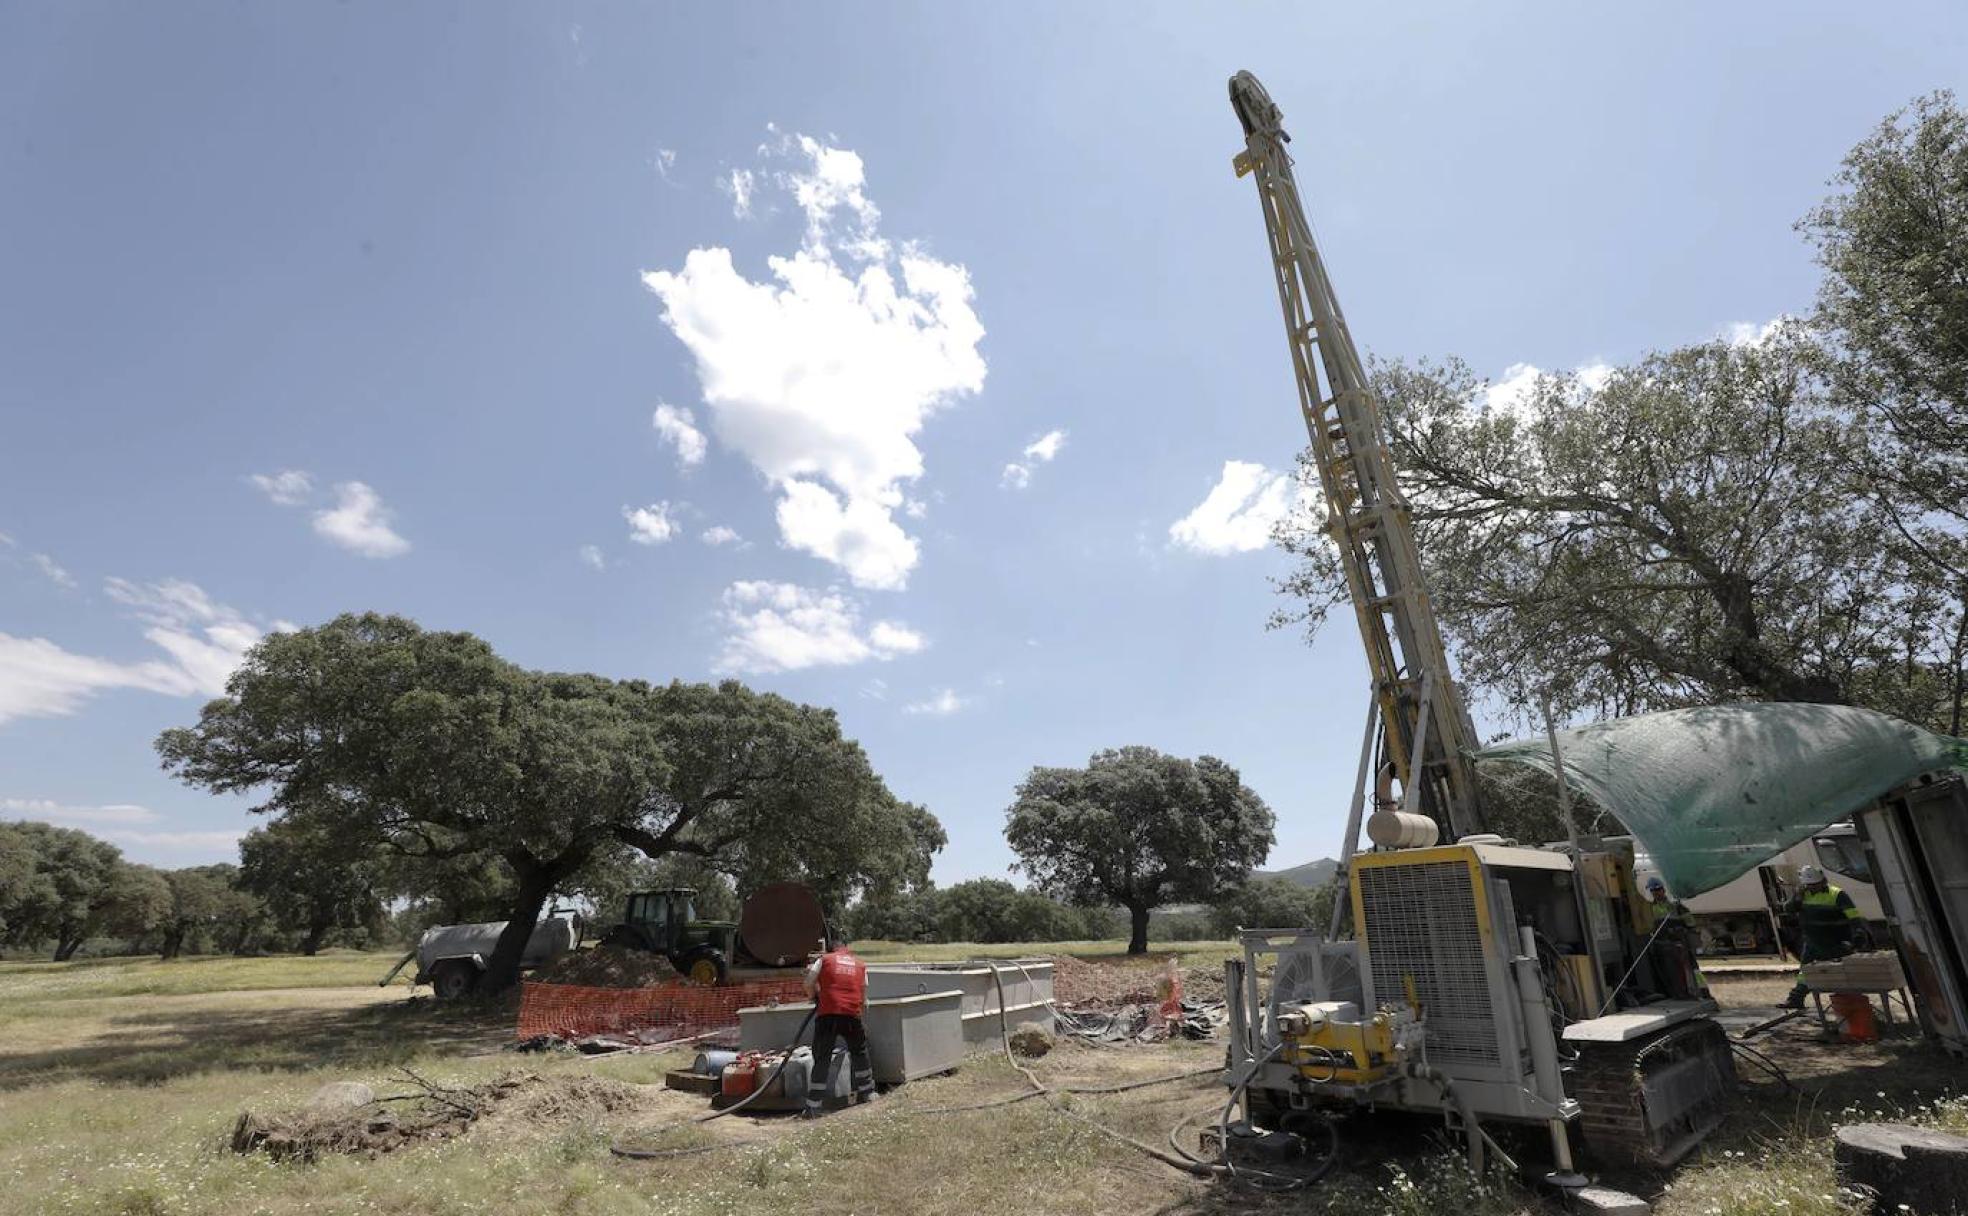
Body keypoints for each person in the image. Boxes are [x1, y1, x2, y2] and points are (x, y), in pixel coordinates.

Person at [800, 939, 876, 1118]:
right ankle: (868, 1093)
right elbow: (863, 995)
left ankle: (813, 1106)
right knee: (859, 1052)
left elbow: (808, 983)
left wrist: (814, 996)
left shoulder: (824, 960)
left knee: (822, 1056)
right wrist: (860, 1018)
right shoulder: (860, 965)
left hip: (828, 1014)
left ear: (832, 949)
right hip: (852, 1014)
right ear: (846, 950)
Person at [1782, 865, 1866, 1010]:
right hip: (1812, 941)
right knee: (1805, 972)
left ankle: (1851, 1002)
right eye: (1809, 885)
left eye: (1815, 884)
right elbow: (1787, 909)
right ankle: (1796, 999)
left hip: (1836, 941)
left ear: (1823, 881)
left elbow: (1853, 916)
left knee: (1841, 972)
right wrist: (1796, 898)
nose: (1813, 888)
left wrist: (1857, 933)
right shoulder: (1802, 894)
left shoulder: (1837, 894)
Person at [1643, 876, 1708, 1000]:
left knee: (1693, 970)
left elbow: (1691, 923)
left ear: (1663, 890)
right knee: (1671, 973)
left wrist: (1682, 928)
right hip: (1663, 945)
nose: (1656, 893)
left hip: (1680, 944)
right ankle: (1681, 993)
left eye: (1658, 890)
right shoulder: (1650, 908)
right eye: (1654, 891)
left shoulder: (1676, 906)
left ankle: (1702, 992)